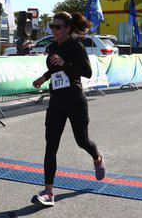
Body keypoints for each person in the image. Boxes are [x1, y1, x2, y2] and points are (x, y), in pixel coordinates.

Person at [31, 12, 106, 207]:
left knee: (82, 141)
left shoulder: (76, 46)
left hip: (74, 100)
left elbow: (87, 72)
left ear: (68, 28)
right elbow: (54, 69)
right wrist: (44, 78)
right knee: (51, 146)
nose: (53, 30)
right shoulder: (52, 46)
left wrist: (65, 64)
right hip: (56, 101)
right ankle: (48, 192)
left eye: (57, 27)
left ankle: (97, 157)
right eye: (52, 26)